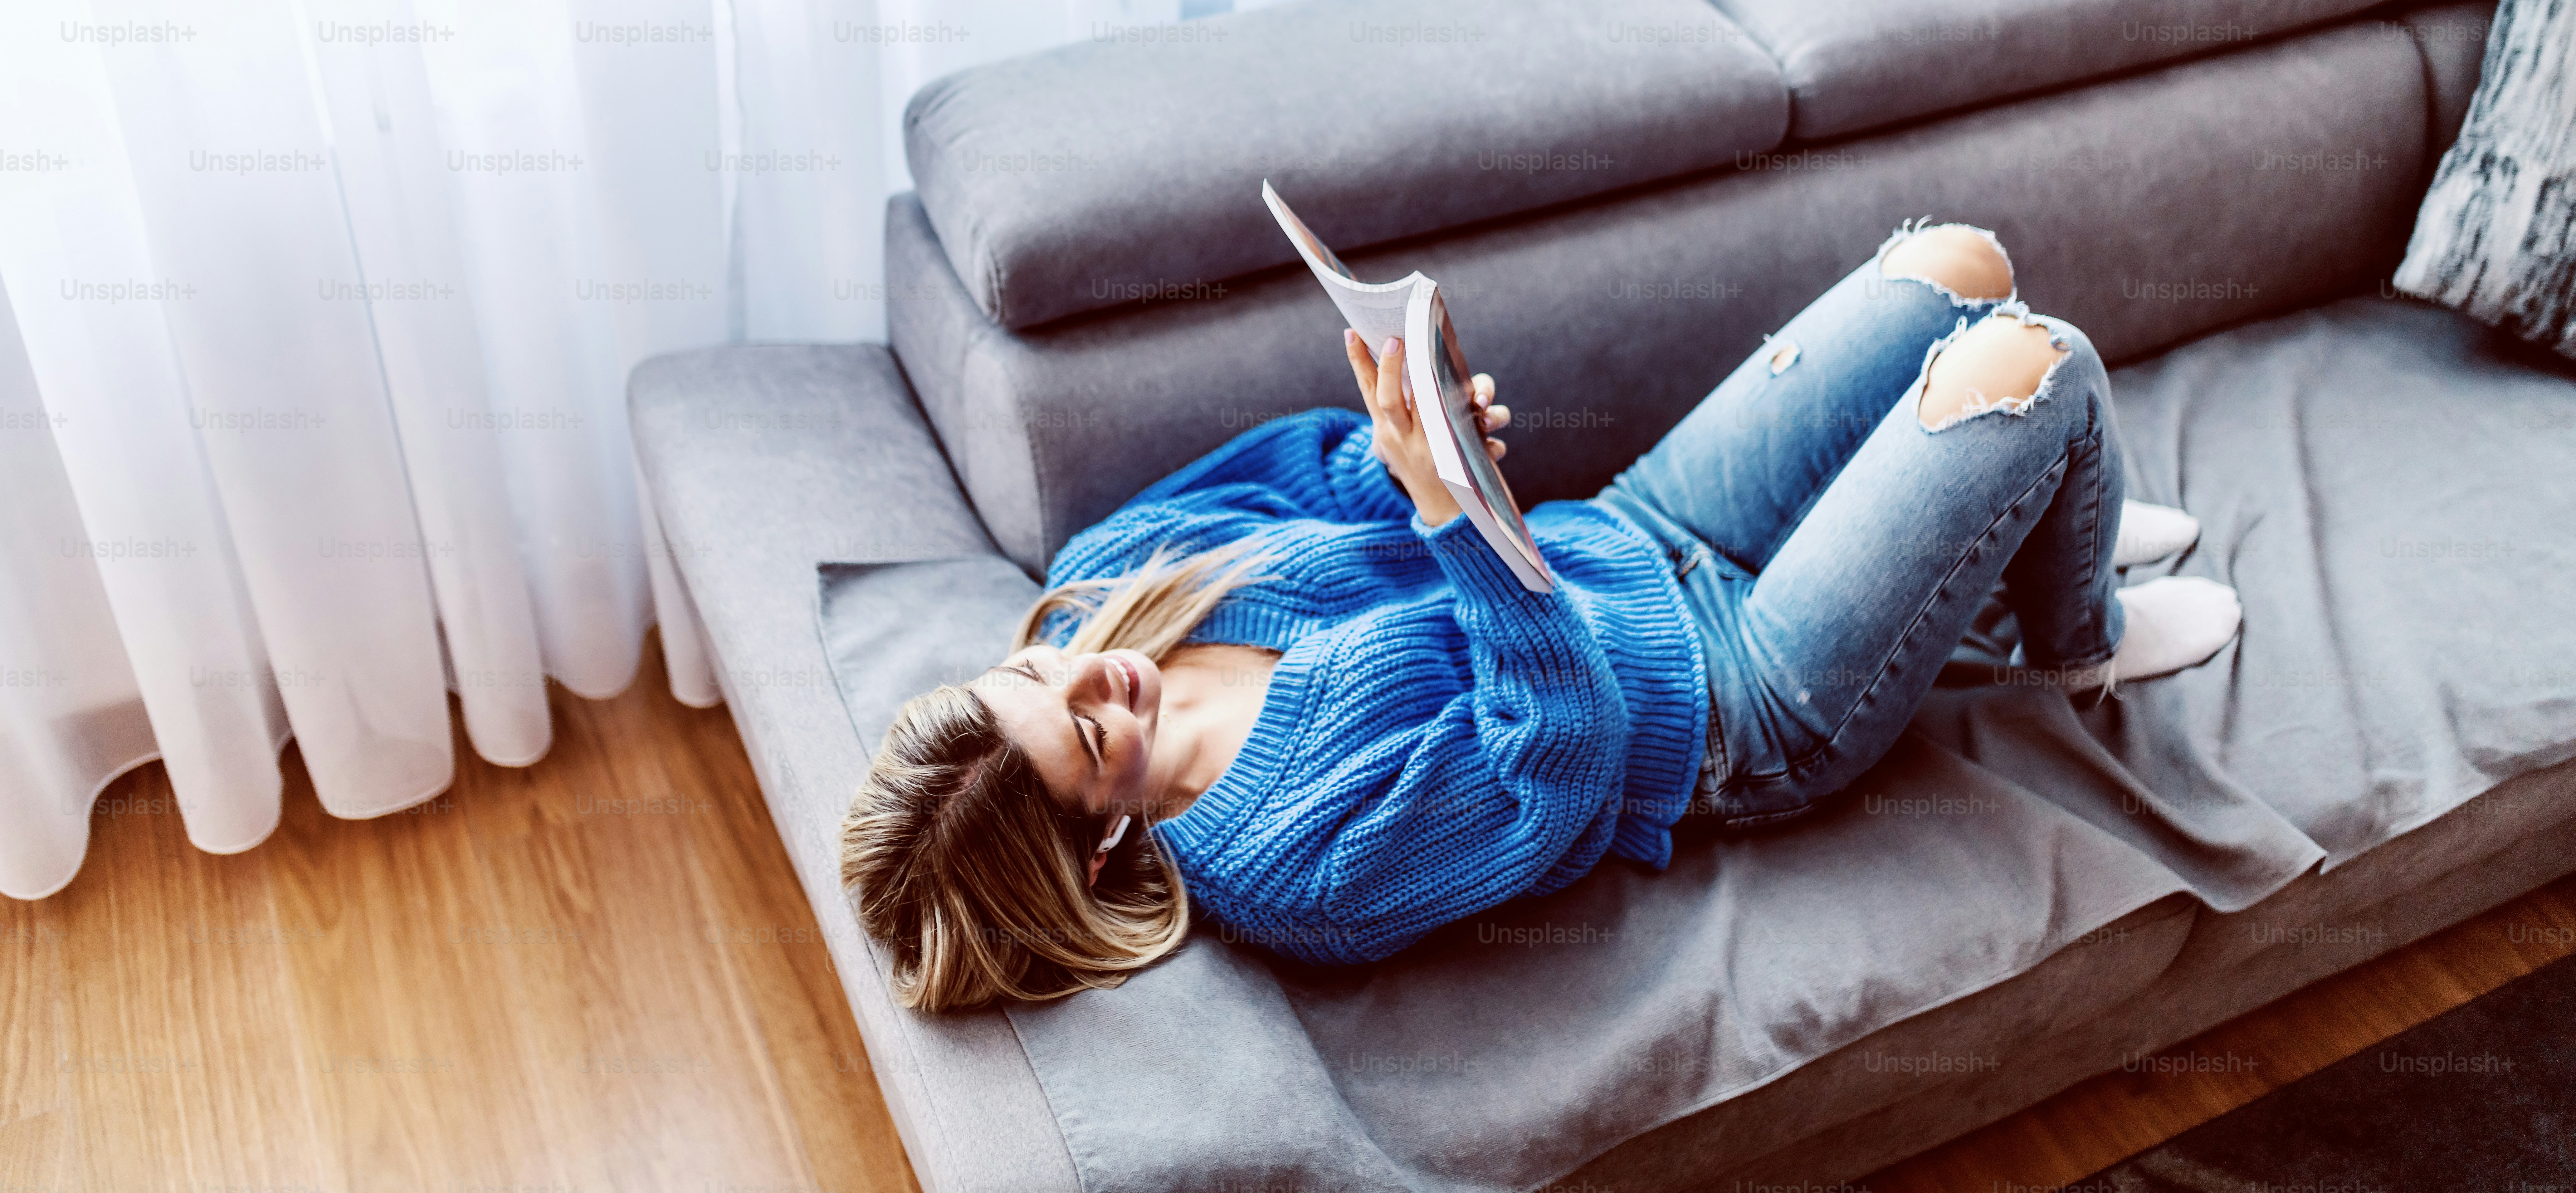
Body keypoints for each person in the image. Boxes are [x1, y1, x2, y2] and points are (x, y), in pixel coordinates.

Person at [841, 222, 2241, 1011]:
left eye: (1041, 667)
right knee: (2032, 365)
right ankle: (2075, 640)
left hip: (1628, 530)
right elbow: (1559, 764)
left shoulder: (1097, 579)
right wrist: (1455, 526)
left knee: (1958, 268)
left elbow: (1307, 476)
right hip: (1732, 705)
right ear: (1099, 840)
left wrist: (1420, 444)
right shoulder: (1294, 870)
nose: (1098, 674)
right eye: (1086, 738)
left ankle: (2058, 521)